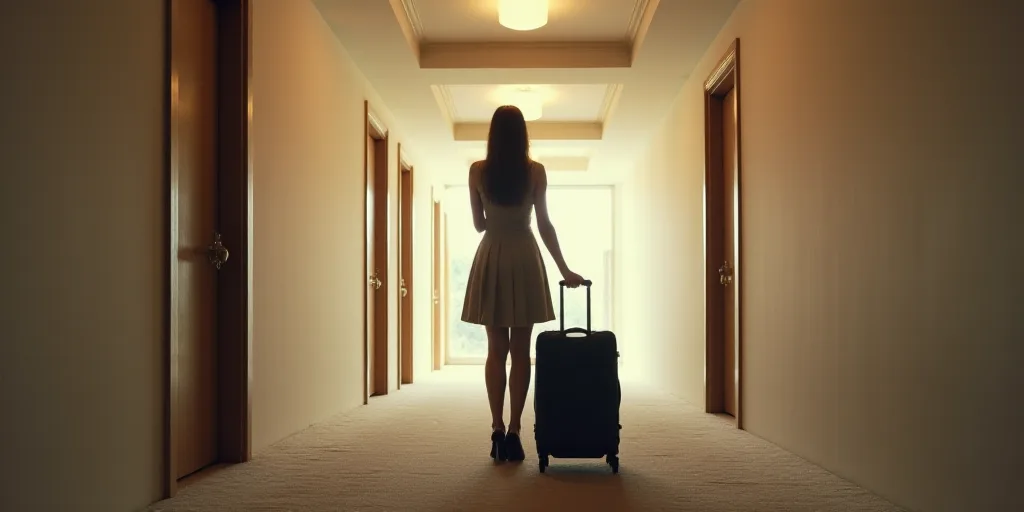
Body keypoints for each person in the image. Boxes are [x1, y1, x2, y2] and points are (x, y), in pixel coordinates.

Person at [460, 105, 586, 463]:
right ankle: (515, 429)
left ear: (493, 135)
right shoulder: (535, 172)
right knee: (520, 350)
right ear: (523, 136)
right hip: (525, 257)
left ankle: (496, 429)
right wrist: (564, 269)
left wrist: (493, 212)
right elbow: (544, 224)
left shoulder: (477, 172)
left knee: (495, 350)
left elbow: (479, 225)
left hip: (492, 257)